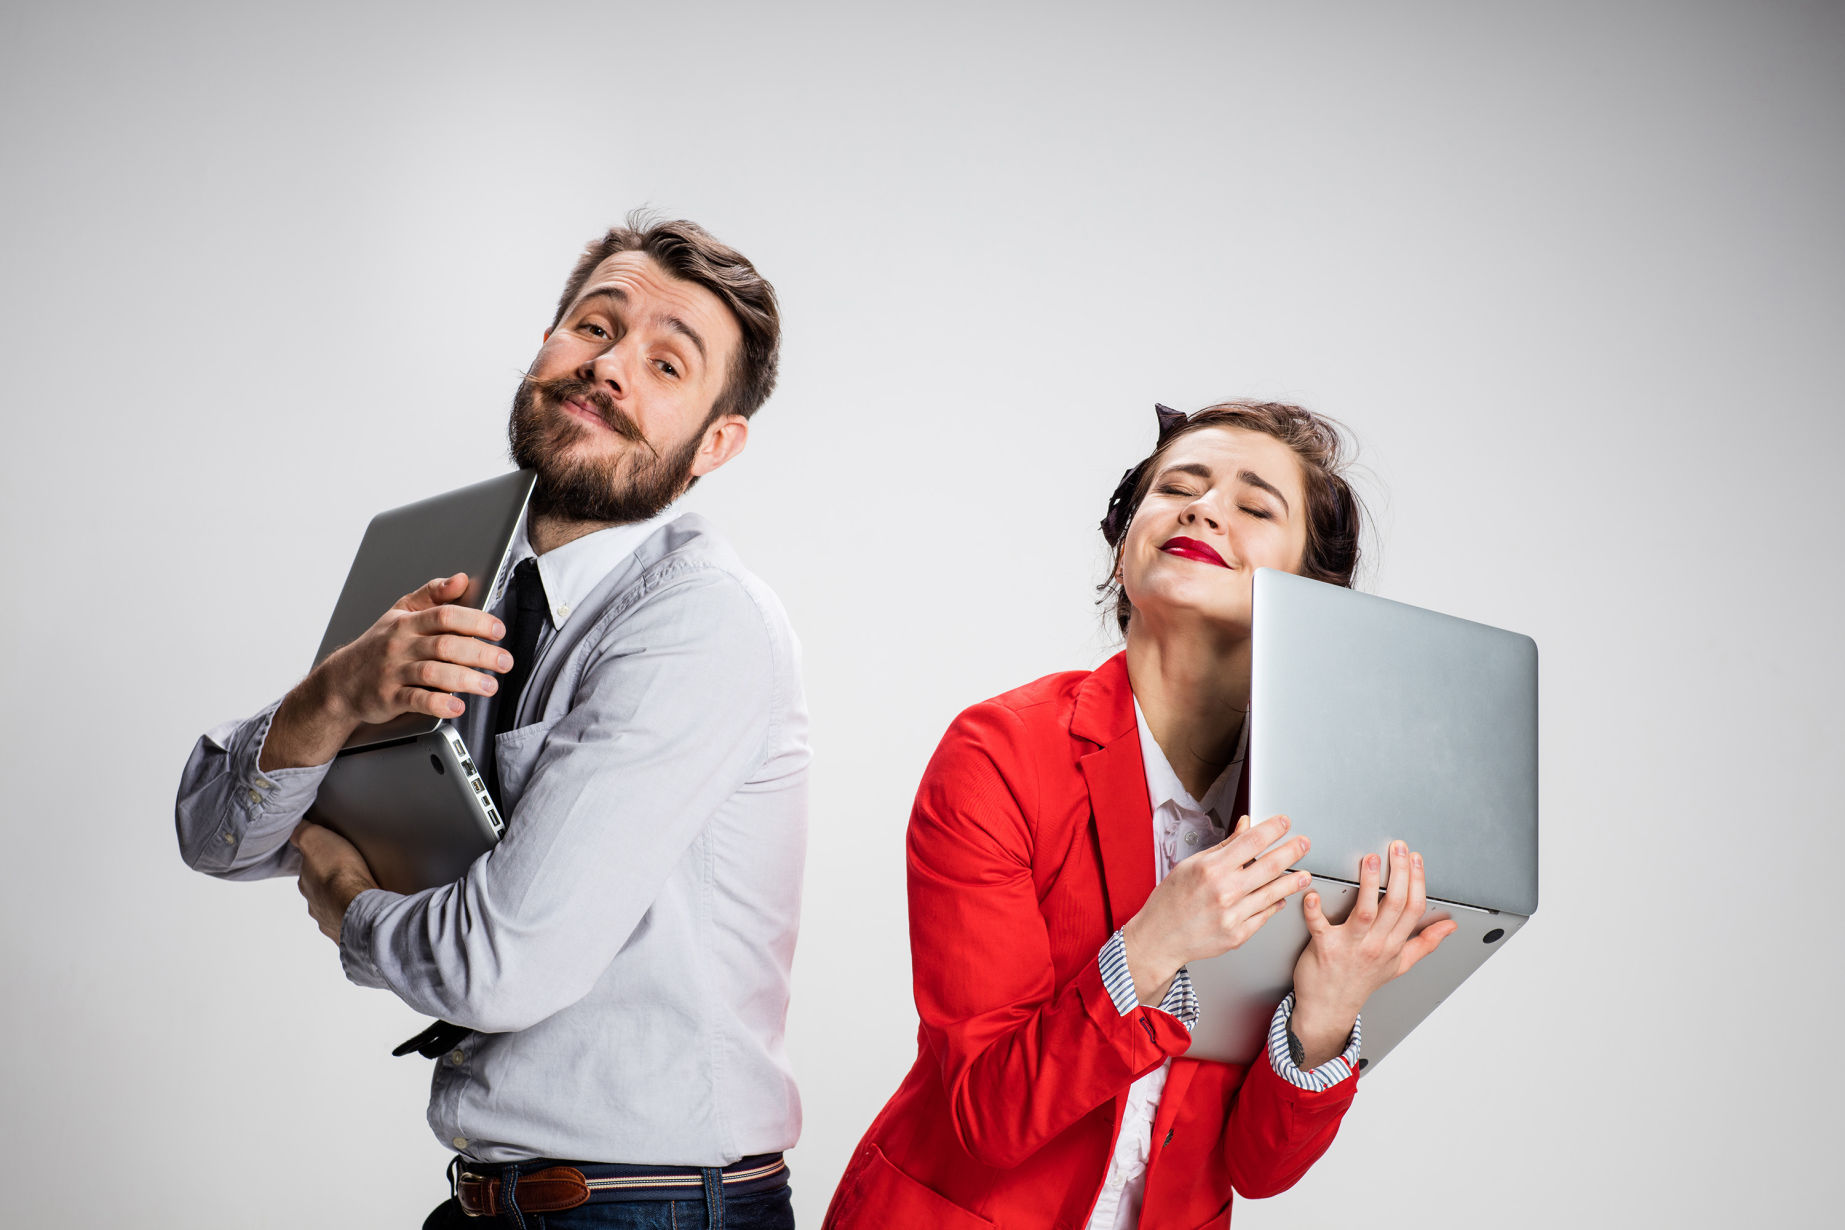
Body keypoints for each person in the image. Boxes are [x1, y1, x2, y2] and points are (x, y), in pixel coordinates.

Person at [175, 214, 807, 1229]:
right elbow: (211, 833)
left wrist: (345, 899)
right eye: (592, 327)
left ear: (715, 444)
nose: (608, 369)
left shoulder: (700, 623)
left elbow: (499, 965)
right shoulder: (450, 567)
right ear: (544, 349)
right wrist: (332, 699)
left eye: (665, 363)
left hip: (650, 1211)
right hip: (488, 1203)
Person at [822, 401, 1458, 1230]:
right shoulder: (1000, 754)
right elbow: (988, 1114)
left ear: (1311, 593)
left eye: (1255, 505)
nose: (1201, 508)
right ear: (1124, 544)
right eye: (1176, 489)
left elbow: (1258, 1171)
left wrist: (1326, 1014)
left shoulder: (1325, 810)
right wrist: (1156, 943)